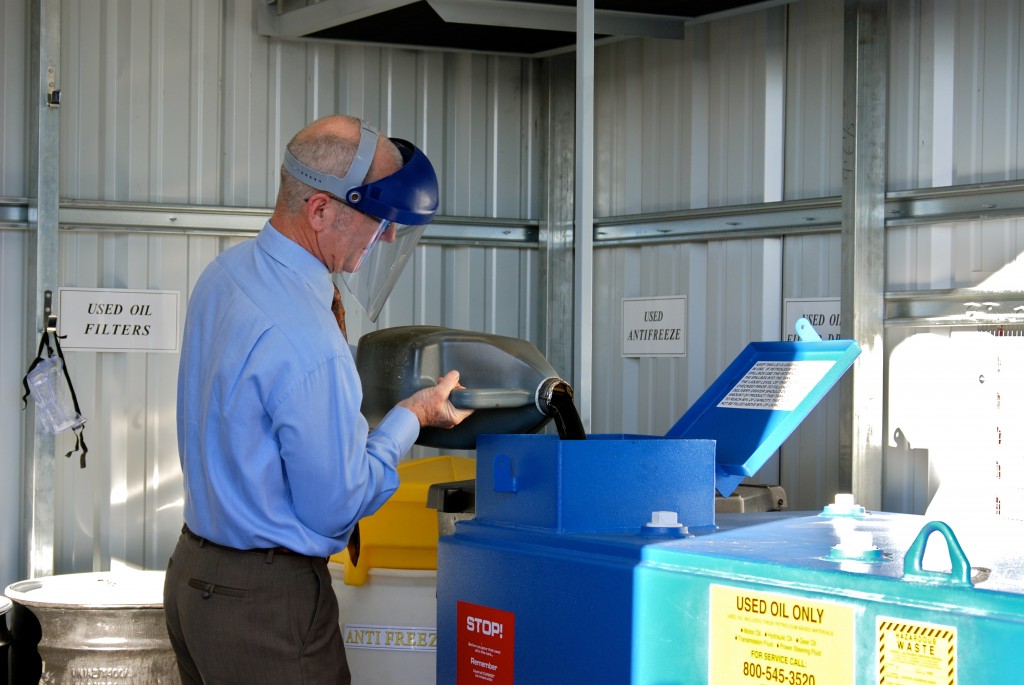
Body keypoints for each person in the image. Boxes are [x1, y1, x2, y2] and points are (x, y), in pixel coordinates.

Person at [163, 114, 472, 684]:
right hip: (264, 606)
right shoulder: (307, 337)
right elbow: (334, 504)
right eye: (377, 218)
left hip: (194, 576)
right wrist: (411, 416)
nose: (389, 236)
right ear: (320, 209)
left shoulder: (224, 275)